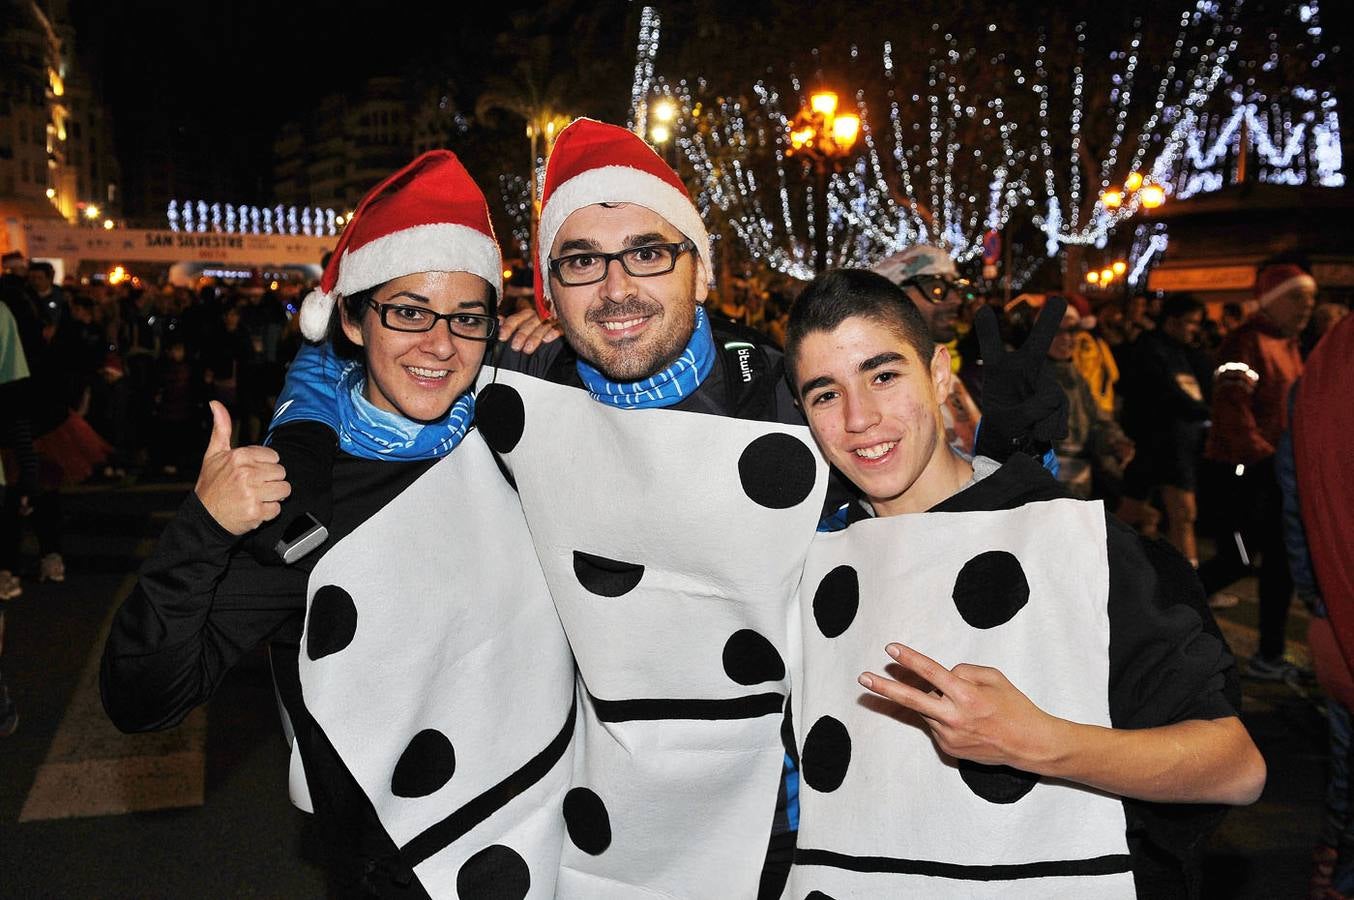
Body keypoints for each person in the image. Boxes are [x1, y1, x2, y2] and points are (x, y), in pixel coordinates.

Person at [274, 118, 1063, 899]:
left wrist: (1020, 461)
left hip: (794, 825)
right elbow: (368, 347)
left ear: (701, 269)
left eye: (648, 253)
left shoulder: (788, 397)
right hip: (600, 835)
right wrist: (300, 436)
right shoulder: (523, 386)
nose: (617, 289)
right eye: (583, 262)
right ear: (549, 291)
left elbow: (925, 543)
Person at [101, 151, 576, 897]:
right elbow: (143, 698)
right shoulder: (301, 502)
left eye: (467, 317)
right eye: (410, 313)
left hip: (558, 852)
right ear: (353, 319)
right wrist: (202, 528)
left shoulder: (528, 433)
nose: (441, 344)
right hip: (396, 873)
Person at [782, 269, 1265, 897]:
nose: (859, 418)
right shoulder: (803, 560)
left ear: (939, 375)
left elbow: (1235, 767)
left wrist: (1040, 743)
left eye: (883, 376)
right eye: (825, 394)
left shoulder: (1079, 545)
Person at [1200, 261, 1316, 680]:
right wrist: (1264, 457)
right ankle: (1163, 610)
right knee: (1239, 558)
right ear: (1273, 300)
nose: (1307, 307)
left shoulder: (1289, 343)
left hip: (1274, 471)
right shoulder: (1245, 342)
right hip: (1243, 471)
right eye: (1298, 299)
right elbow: (1231, 404)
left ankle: (1270, 653)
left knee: (1280, 562)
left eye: (1311, 300)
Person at [1119, 295, 1211, 565]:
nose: (1195, 329)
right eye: (1191, 323)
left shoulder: (1188, 353)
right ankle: (1190, 591)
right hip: (1158, 444)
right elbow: (1168, 395)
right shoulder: (1149, 350)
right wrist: (1204, 414)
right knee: (1178, 513)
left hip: (1179, 445)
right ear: (1172, 322)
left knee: (1154, 512)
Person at [871, 244, 982, 455]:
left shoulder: (943, 374)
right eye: (936, 289)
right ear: (894, 298)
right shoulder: (882, 388)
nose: (956, 300)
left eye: (955, 288)